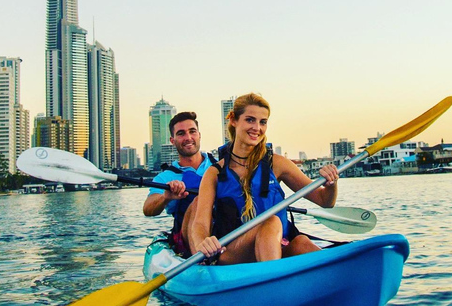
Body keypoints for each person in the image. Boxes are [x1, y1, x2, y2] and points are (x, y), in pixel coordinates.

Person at [191, 93, 340, 264]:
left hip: (276, 246)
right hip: (233, 253)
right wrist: (203, 242)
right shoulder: (215, 173)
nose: (257, 128)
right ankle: (273, 282)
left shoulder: (276, 163)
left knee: (301, 242)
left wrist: (331, 184)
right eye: (250, 120)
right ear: (233, 120)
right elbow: (200, 223)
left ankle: (336, 275)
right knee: (270, 223)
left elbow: (325, 201)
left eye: (263, 122)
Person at [143, 111, 214, 256]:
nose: (188, 138)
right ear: (172, 140)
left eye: (192, 132)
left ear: (199, 135)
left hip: (225, 231)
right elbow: (148, 209)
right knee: (198, 201)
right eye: (181, 134)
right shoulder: (166, 177)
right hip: (188, 239)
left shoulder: (220, 166)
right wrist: (166, 197)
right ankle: (202, 260)